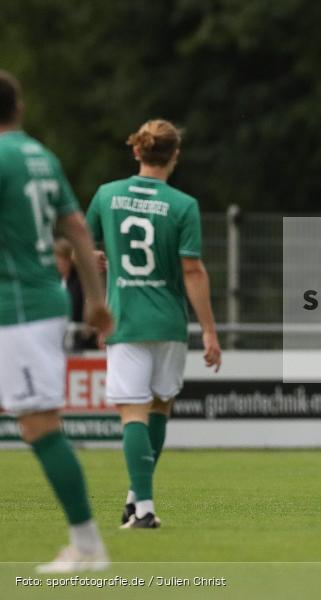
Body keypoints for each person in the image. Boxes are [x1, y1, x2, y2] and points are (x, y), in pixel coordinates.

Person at [0, 70, 114, 571]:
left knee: (40, 425)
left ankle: (88, 546)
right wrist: (93, 297)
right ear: (19, 108)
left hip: (18, 308)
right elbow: (75, 226)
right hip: (36, 302)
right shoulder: (40, 156)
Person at [87, 119, 221, 529]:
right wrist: (210, 331)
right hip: (168, 322)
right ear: (175, 156)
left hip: (125, 320)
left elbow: (83, 249)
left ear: (136, 151)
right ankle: (135, 498)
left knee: (133, 413)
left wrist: (96, 263)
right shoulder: (182, 205)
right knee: (159, 406)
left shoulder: (107, 195)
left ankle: (143, 508)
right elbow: (193, 271)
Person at [54, 238, 98, 351]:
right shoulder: (53, 282)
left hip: (80, 340)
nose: (56, 262)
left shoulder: (81, 282)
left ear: (69, 259)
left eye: (59, 258)